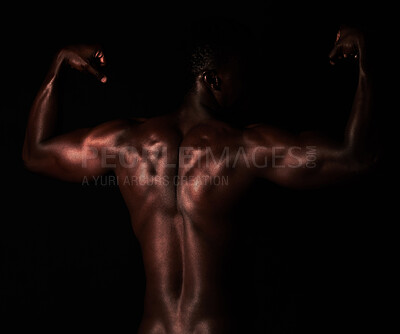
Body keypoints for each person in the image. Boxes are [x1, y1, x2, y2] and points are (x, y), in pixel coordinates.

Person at [22, 19, 376, 334]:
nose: (247, 87)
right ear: (212, 79)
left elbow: (36, 152)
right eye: (241, 76)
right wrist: (366, 60)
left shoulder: (125, 142)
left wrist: (58, 66)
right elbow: (353, 158)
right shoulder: (244, 146)